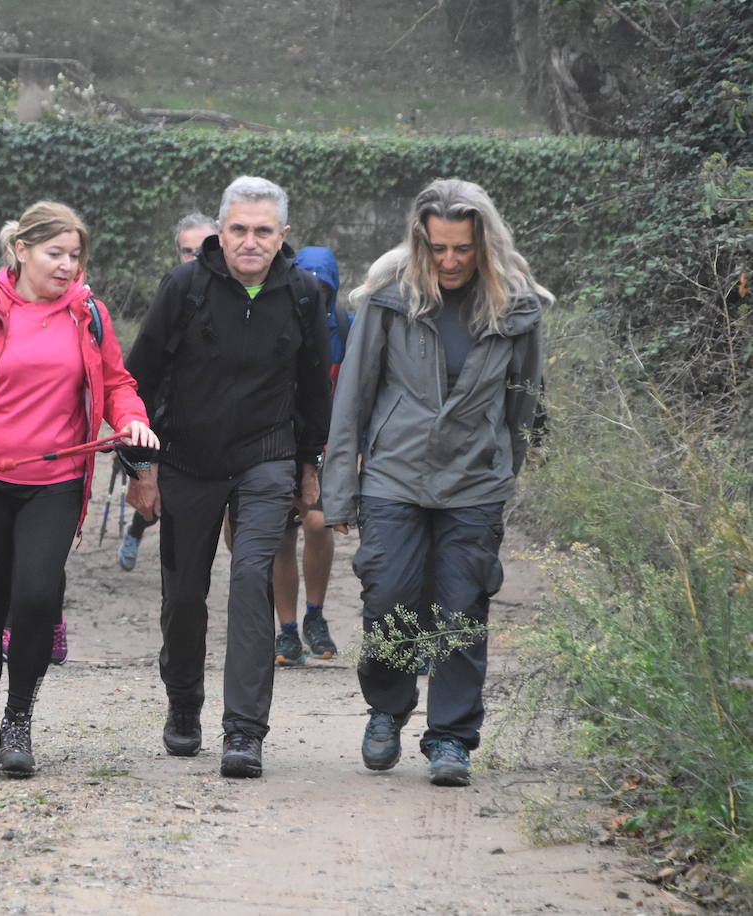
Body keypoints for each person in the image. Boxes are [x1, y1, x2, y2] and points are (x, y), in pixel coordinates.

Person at [0, 201, 157, 778]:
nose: (67, 266)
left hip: (56, 484)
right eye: (55, 254)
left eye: (75, 256)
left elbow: (117, 382)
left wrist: (131, 419)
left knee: (37, 598)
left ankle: (18, 722)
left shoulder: (88, 313)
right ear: (22, 250)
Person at [321, 178, 548, 787]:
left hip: (474, 484)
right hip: (394, 477)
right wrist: (339, 490)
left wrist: (502, 471)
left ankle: (451, 736)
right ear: (420, 241)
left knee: (461, 608)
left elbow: (524, 404)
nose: (450, 261)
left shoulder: (517, 307)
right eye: (438, 247)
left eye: (463, 249)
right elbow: (353, 400)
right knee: (388, 599)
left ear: (485, 245)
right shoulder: (390, 299)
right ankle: (387, 709)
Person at [125, 176, 332, 778]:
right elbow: (137, 381)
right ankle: (184, 702)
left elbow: (315, 386)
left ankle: (244, 731)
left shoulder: (303, 294)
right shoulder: (184, 287)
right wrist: (140, 467)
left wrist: (310, 464)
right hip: (187, 458)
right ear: (221, 231)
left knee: (250, 579)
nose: (249, 241)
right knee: (184, 594)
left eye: (263, 231)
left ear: (283, 236)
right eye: (238, 229)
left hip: (265, 458)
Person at [116, 211, 218, 572]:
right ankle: (137, 530)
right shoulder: (174, 288)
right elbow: (143, 365)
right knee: (156, 497)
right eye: (186, 251)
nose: (195, 258)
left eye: (203, 248)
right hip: (163, 413)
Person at [270, 245, 346, 666]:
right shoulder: (280, 320)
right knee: (282, 535)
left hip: (329, 446)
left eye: (324, 287)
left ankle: (314, 615)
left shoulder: (348, 329)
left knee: (318, 523)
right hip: (281, 442)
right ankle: (286, 631)